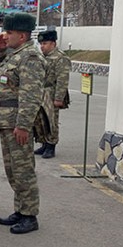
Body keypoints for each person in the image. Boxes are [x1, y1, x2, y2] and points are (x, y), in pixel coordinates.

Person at [0, 13, 46, 235]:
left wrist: (23, 125)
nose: (6, 35)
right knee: (13, 169)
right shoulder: (16, 54)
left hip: (17, 122)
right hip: (6, 119)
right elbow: (0, 71)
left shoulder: (30, 57)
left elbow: (30, 95)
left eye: (10, 33)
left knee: (23, 169)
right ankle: (21, 210)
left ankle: (30, 216)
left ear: (22, 36)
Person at [35, 30, 71, 159]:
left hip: (52, 94)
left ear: (53, 43)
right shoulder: (43, 57)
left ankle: (51, 146)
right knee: (41, 120)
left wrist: (58, 98)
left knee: (52, 121)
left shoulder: (61, 58)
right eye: (41, 44)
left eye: (45, 43)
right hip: (41, 93)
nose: (42, 46)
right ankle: (44, 143)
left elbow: (62, 80)